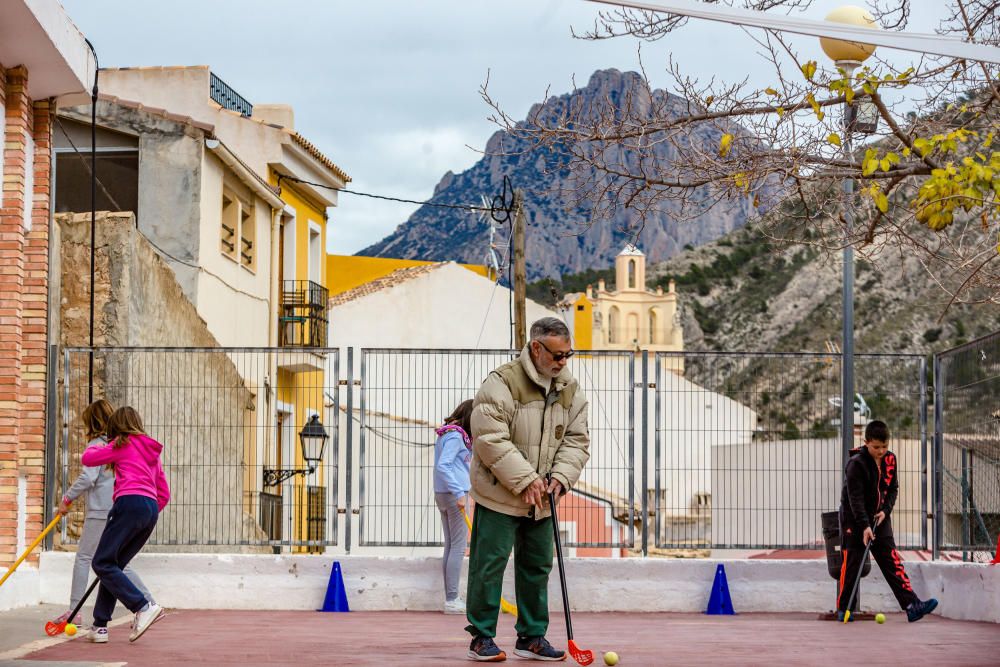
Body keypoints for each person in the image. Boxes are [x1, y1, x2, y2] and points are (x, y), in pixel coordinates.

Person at [465, 317, 590, 662]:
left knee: (538, 566)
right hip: (500, 494)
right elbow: (489, 438)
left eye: (568, 355)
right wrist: (525, 479)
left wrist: (561, 477)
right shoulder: (501, 382)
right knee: (488, 564)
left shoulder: (569, 388)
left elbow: (577, 440)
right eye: (558, 355)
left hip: (544, 497)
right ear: (536, 348)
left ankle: (532, 636)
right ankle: (481, 636)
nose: (563, 362)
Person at [52, 399, 155, 629]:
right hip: (124, 508)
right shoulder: (127, 444)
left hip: (102, 509)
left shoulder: (102, 446)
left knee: (87, 558)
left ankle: (75, 611)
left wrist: (67, 498)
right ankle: (145, 605)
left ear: (92, 422)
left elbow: (88, 477)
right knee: (116, 563)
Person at [80, 406, 170, 643]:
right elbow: (164, 494)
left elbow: (87, 458)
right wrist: (144, 512)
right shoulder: (152, 451)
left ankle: (143, 606)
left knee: (101, 562)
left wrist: (101, 444)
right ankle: (100, 626)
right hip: (149, 510)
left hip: (129, 503)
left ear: (116, 427)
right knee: (114, 564)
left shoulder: (121, 444)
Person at [837, 419, 938, 623]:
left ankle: (912, 605)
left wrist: (885, 511)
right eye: (876, 447)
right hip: (854, 521)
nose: (881, 451)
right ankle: (843, 609)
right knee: (852, 564)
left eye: (884, 446)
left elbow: (893, 489)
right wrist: (864, 526)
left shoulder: (891, 459)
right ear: (866, 442)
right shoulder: (855, 464)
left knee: (892, 561)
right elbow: (854, 499)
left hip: (879, 518)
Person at [434, 399, 474, 615]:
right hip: (453, 494)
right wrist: (459, 493)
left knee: (451, 545)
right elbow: (444, 465)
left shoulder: (449, 433)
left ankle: (451, 597)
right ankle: (452, 599)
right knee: (458, 546)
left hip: (445, 493)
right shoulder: (456, 436)